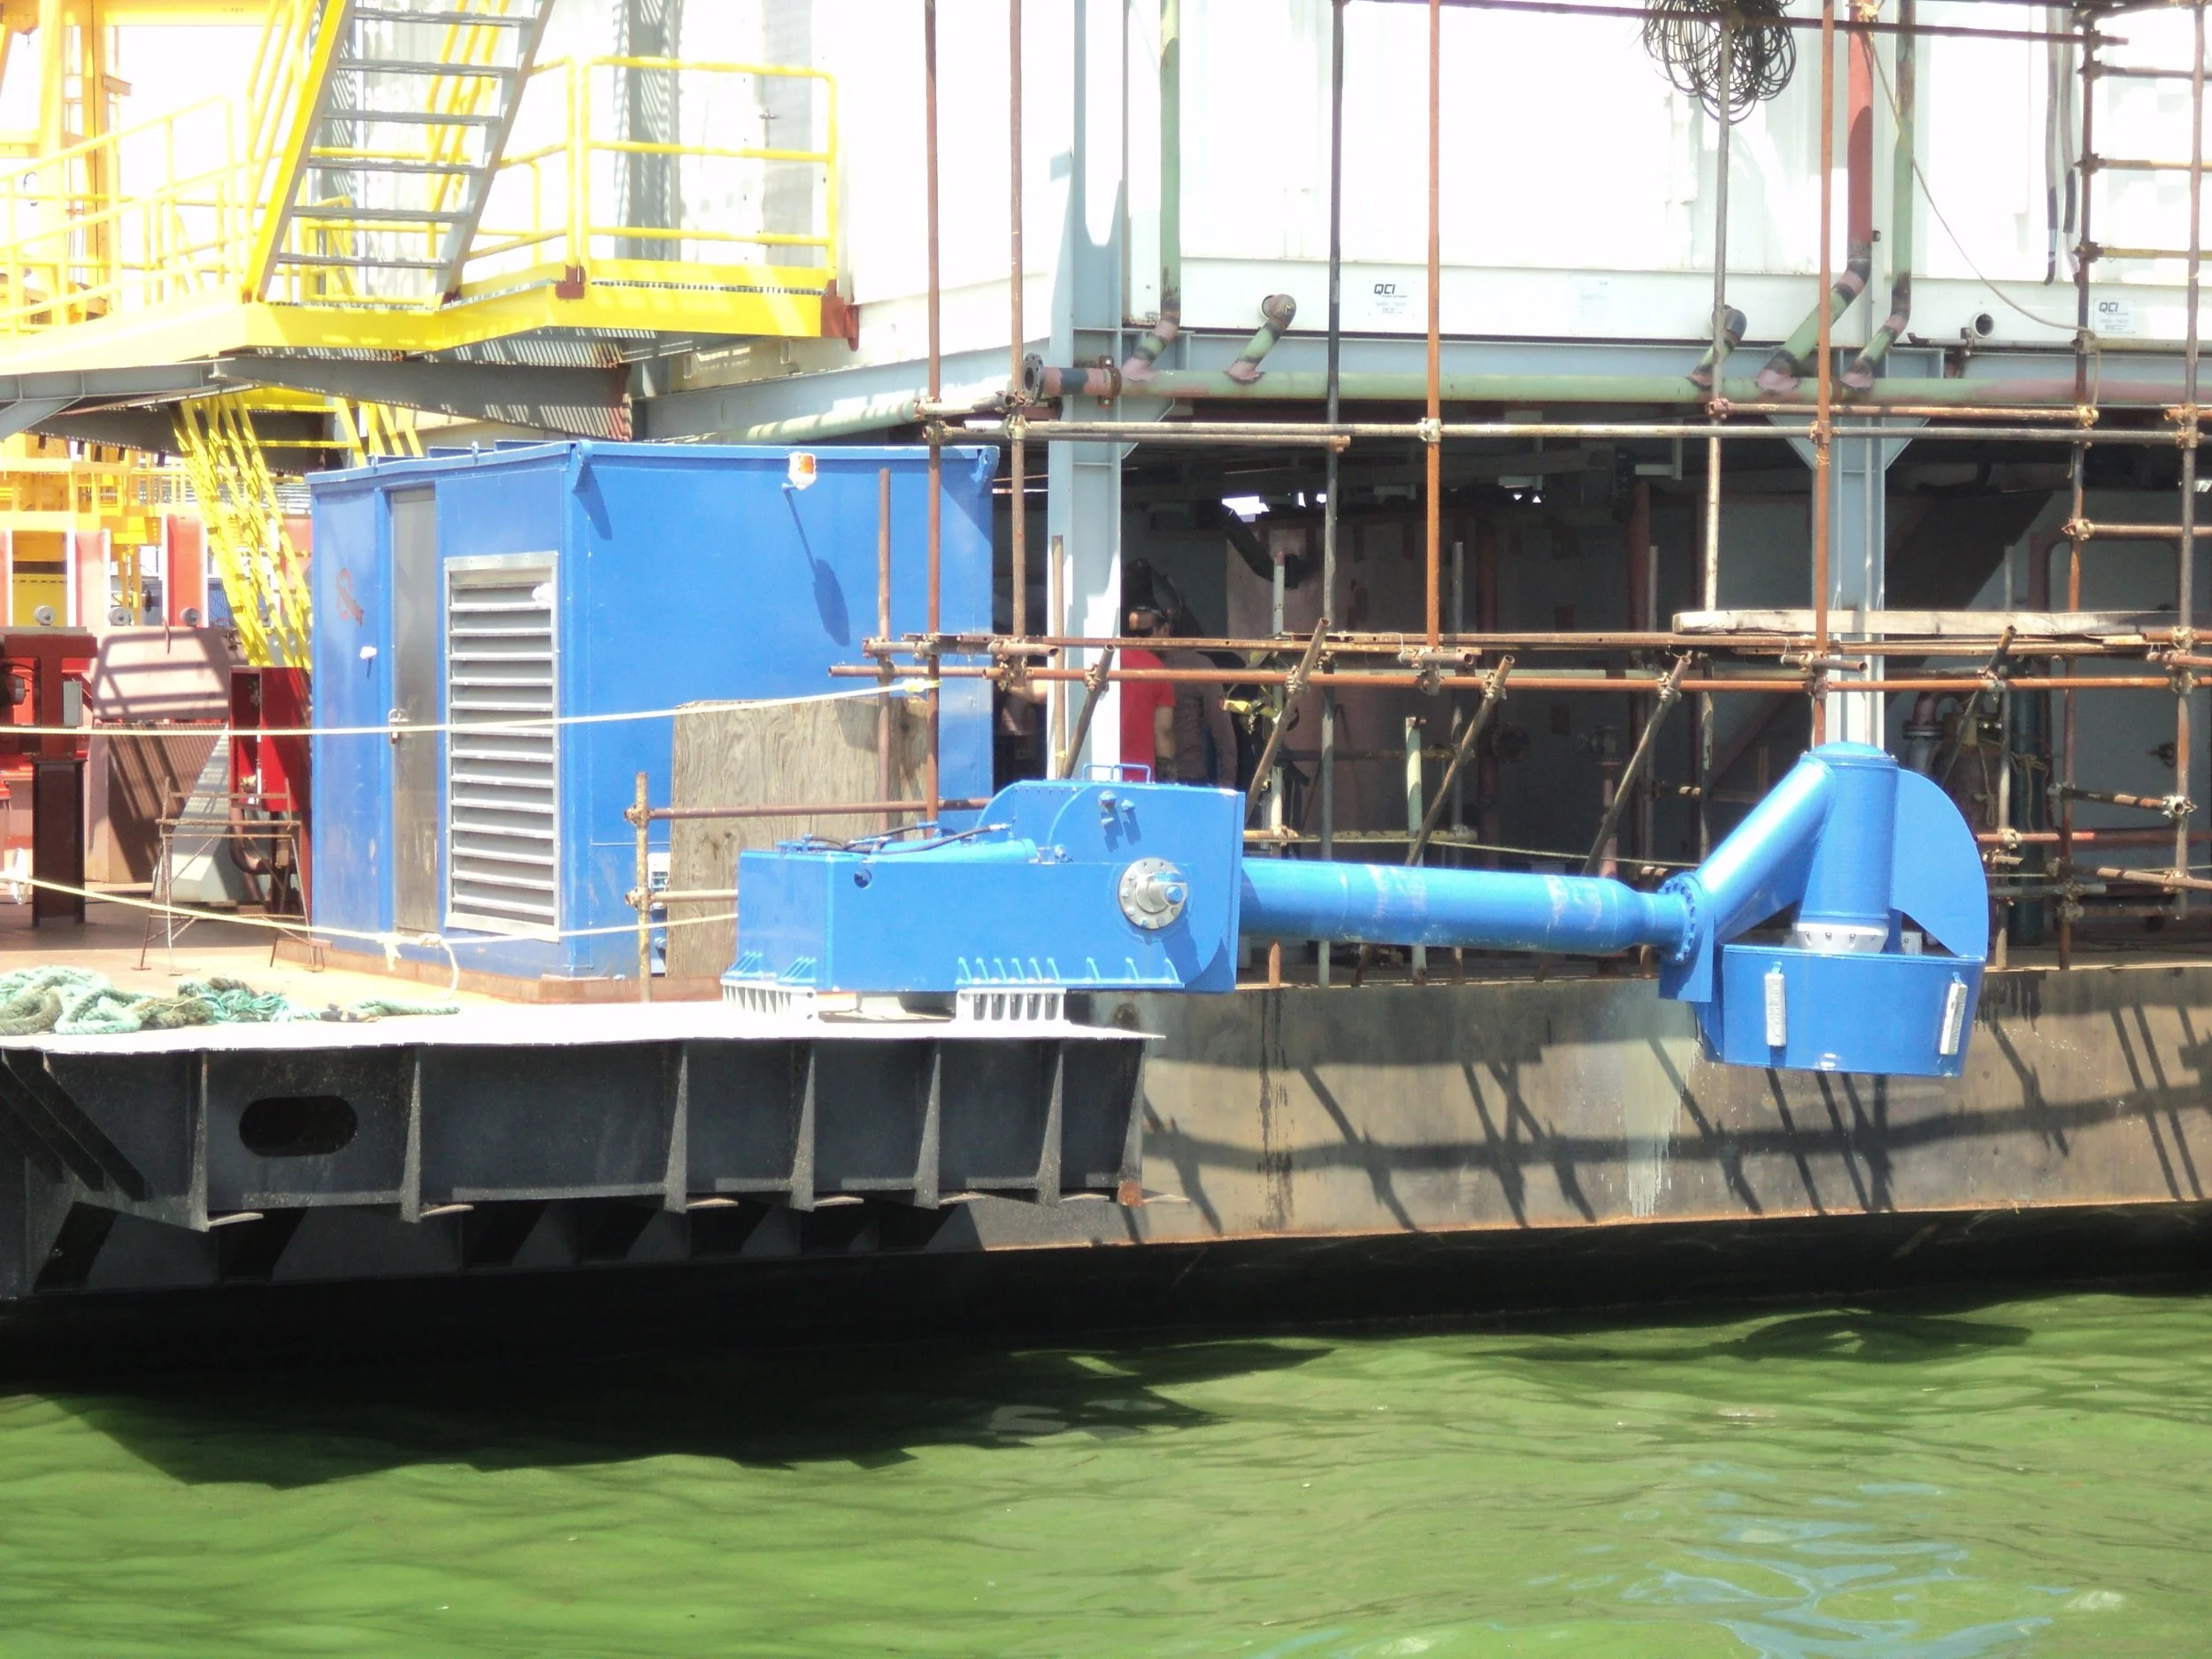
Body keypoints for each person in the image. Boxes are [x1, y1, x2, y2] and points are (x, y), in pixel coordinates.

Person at [1119, 604, 1177, 779]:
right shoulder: (1156, 669)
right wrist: (1168, 778)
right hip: (1139, 776)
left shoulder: (1096, 659)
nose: (1138, 639)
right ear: (1164, 629)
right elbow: (1163, 731)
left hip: (1089, 770)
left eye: (1143, 634)